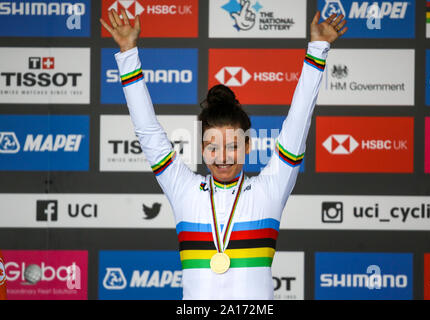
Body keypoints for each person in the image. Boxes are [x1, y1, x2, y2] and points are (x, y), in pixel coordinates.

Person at [100, 9, 347, 300]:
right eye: (213, 147)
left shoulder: (268, 189)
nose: (223, 156)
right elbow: (147, 131)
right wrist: (127, 52)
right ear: (202, 149)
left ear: (247, 146)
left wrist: (318, 49)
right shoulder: (185, 190)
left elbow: (298, 124)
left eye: (232, 145)